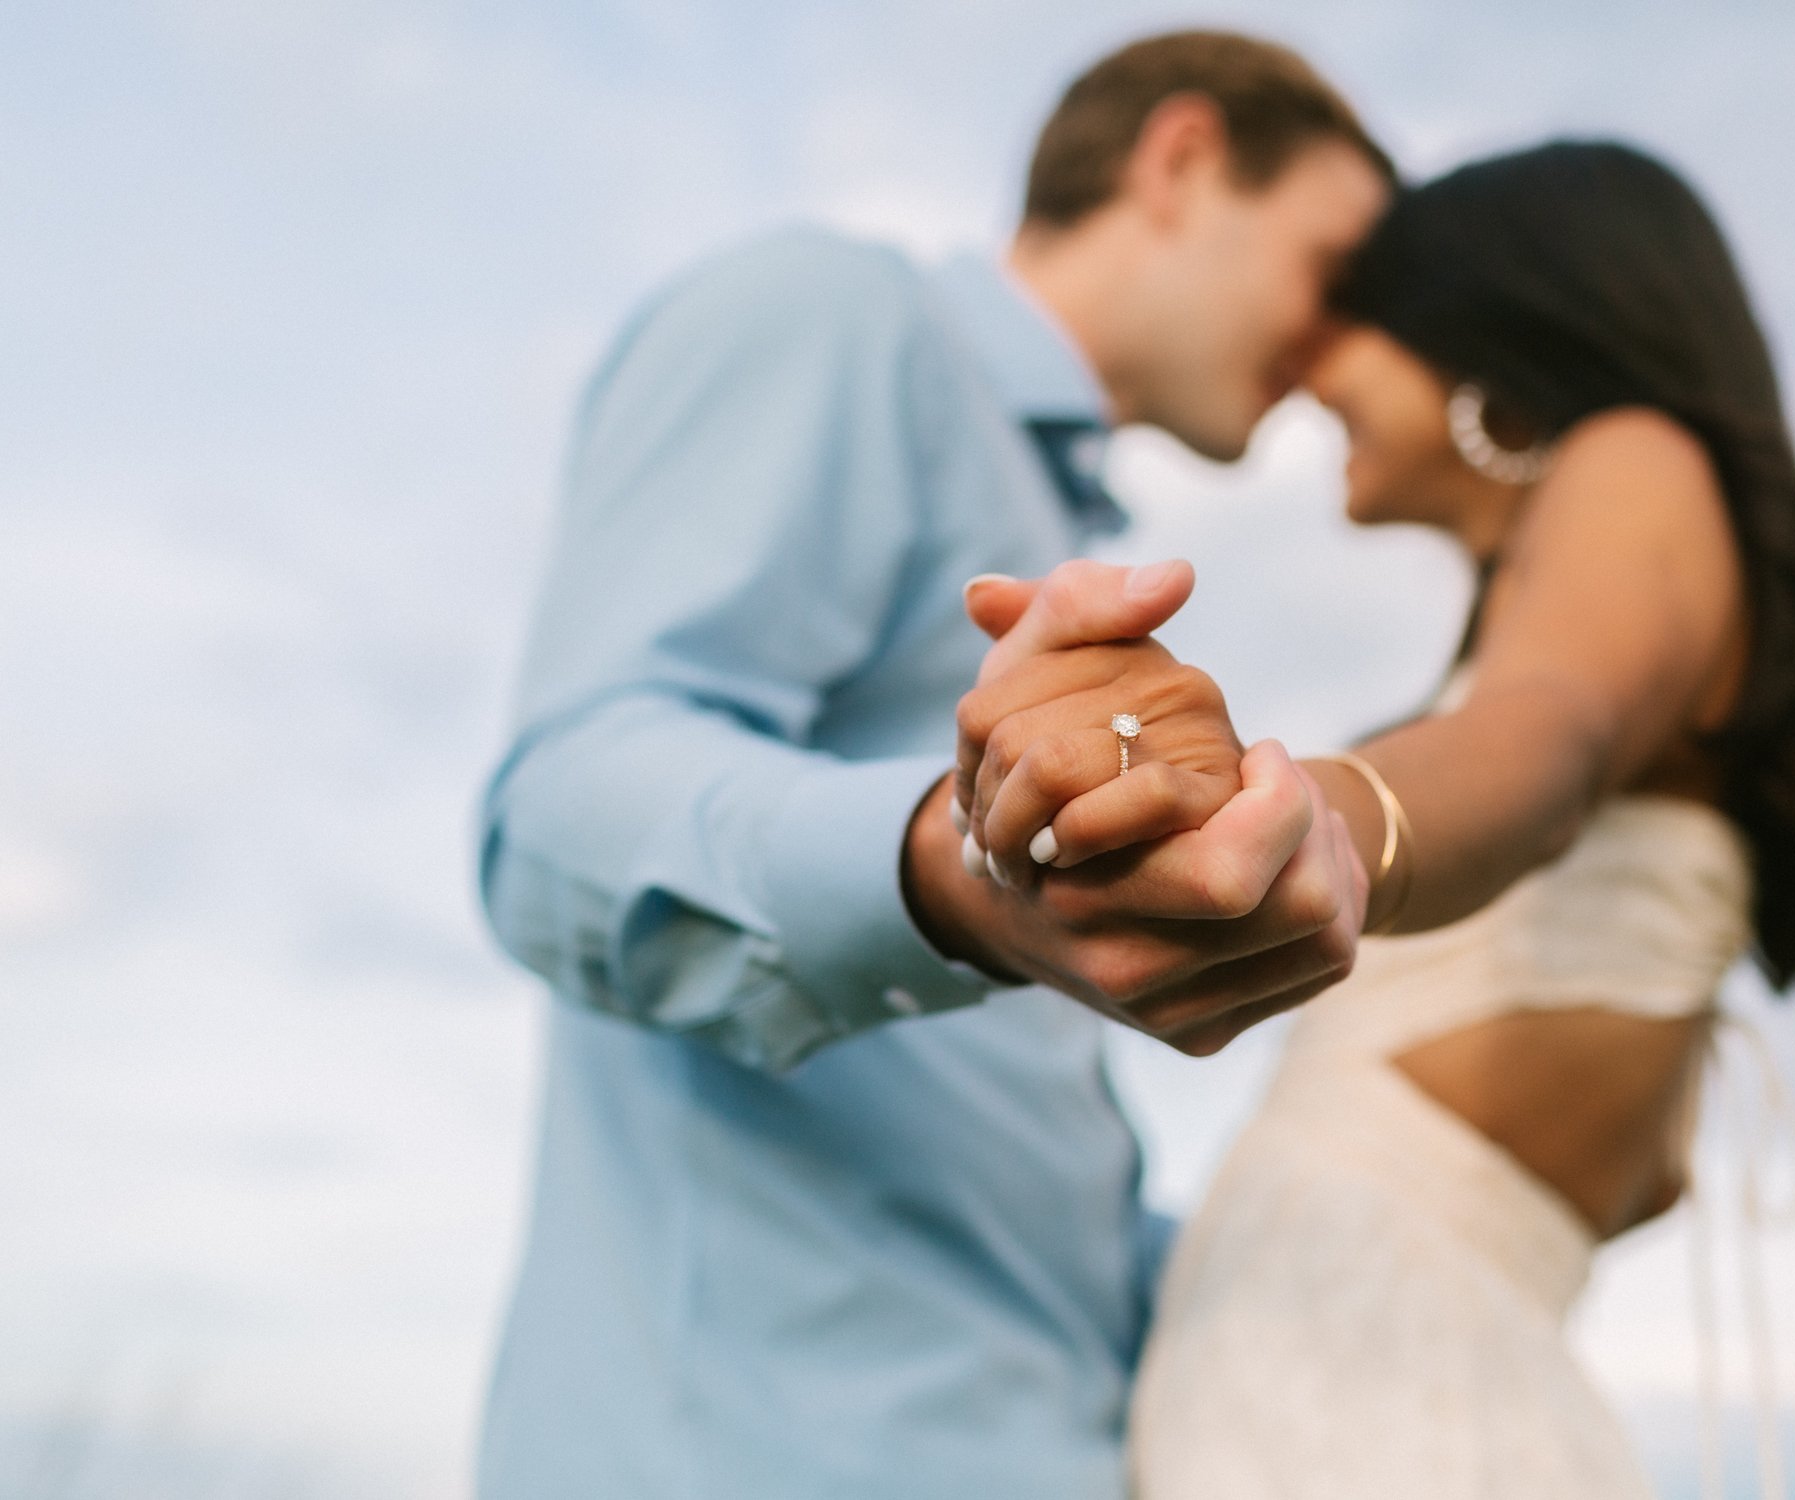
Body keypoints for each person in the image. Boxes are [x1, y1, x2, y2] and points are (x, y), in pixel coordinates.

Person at [471, 32, 1390, 1500]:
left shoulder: (1065, 544)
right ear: (1182, 161)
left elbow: (998, 1132)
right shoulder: (838, 317)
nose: (1342, 342)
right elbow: (561, 810)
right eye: (1334, 263)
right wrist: (955, 881)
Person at [954, 141, 1795, 1499]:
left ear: (1483, 325)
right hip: (1348, 1387)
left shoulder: (1634, 459)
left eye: (1349, 313)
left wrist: (1324, 821)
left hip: (1368, 1399)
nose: (1305, 363)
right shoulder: (1606, 562)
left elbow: (1542, 737)